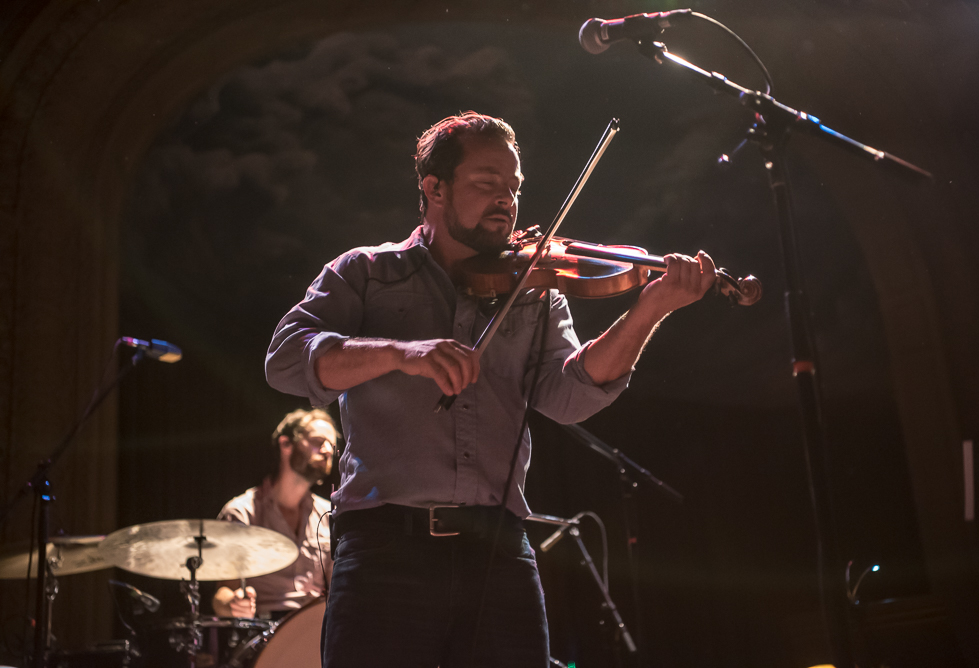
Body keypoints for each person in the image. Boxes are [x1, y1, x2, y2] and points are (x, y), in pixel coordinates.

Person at [265, 112, 716, 666]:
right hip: (385, 550)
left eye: (514, 187)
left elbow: (568, 397)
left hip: (498, 551)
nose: (506, 200)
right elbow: (286, 360)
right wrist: (402, 353)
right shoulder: (365, 273)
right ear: (434, 188)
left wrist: (649, 311)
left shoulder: (535, 289)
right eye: (486, 183)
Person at [212, 408, 337, 619]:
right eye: (318, 441)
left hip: (316, 629)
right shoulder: (242, 512)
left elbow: (337, 591)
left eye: (332, 446)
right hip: (266, 633)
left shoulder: (330, 515)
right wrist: (233, 603)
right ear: (286, 444)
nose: (327, 450)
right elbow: (221, 595)